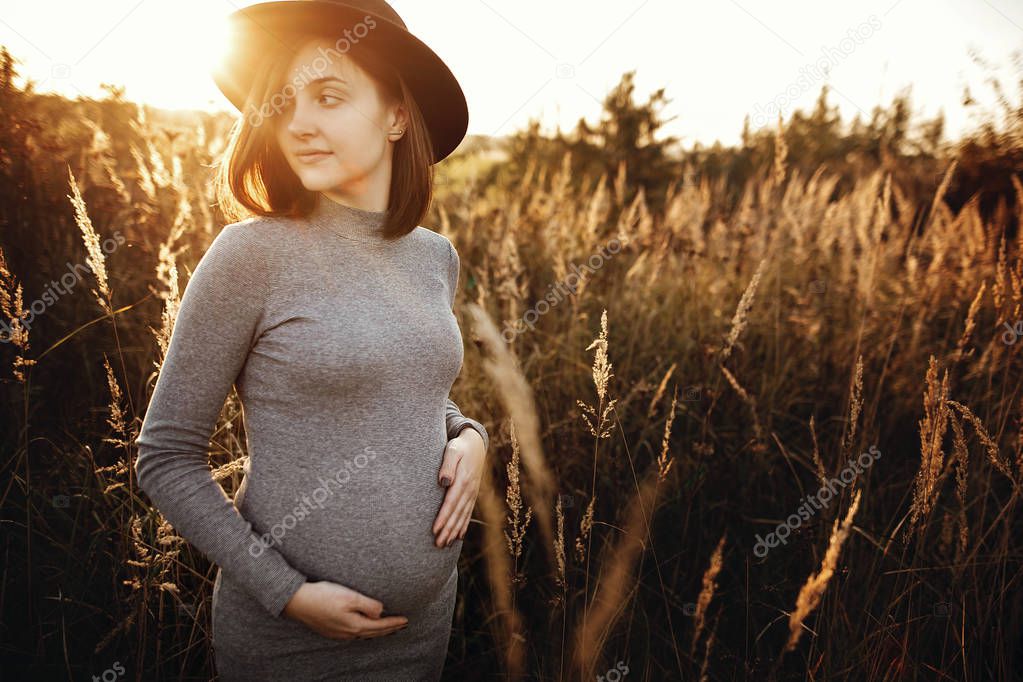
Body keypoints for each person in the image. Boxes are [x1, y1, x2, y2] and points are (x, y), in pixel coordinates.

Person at [133, 2, 489, 679]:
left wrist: (469, 434)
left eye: (329, 96)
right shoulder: (251, 256)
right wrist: (287, 594)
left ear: (395, 115)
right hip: (289, 642)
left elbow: (406, 392)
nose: (297, 123)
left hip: (422, 628)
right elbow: (165, 457)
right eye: (283, 103)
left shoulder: (433, 256)